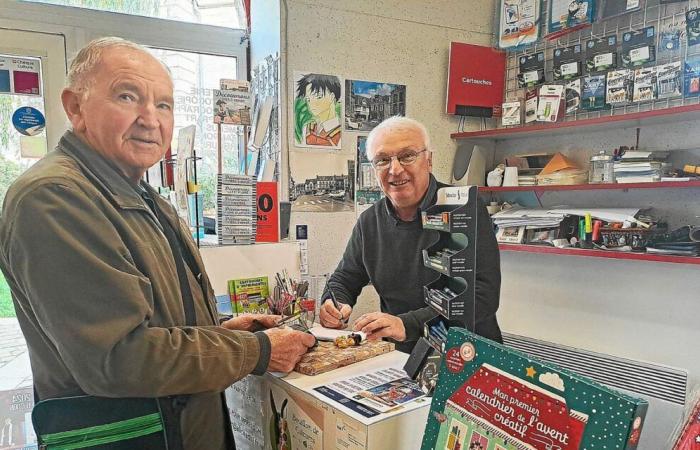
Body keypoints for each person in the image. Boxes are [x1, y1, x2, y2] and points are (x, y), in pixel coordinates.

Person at [0, 37, 315, 450]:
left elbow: (153, 318)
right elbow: (117, 356)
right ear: (75, 107)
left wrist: (222, 331)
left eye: (164, 104)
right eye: (127, 96)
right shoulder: (56, 197)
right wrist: (254, 350)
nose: (151, 119)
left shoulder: (140, 194)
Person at [319, 117, 502, 353]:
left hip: (465, 355)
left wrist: (407, 324)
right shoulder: (369, 222)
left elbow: (482, 295)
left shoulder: (463, 209)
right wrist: (334, 304)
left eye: (407, 156)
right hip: (402, 359)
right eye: (383, 160)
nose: (395, 169)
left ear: (429, 160)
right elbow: (344, 278)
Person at [293, 73, 341, 147]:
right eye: (308, 99)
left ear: (332, 97)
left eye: (318, 97)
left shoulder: (340, 133)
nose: (312, 103)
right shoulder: (307, 128)